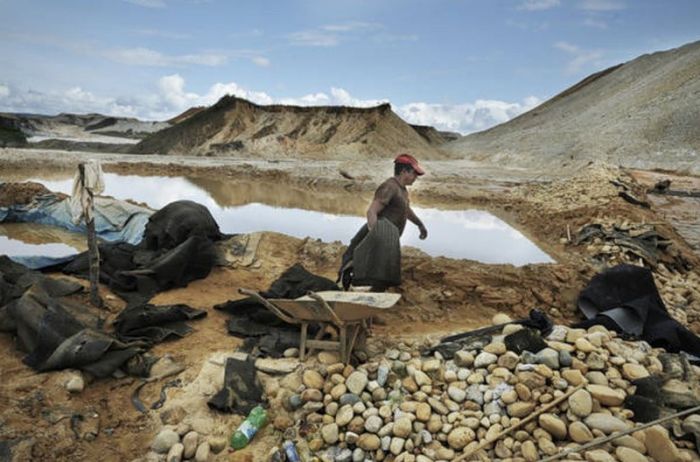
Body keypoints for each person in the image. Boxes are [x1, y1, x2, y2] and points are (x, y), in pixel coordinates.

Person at [338, 153, 428, 290]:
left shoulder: (402, 190)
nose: (416, 178)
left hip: (385, 239)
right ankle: (345, 292)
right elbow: (372, 212)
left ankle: (372, 294)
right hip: (374, 234)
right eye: (414, 174)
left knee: (380, 271)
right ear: (404, 171)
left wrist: (419, 224)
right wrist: (376, 237)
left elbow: (406, 210)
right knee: (355, 265)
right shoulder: (389, 187)